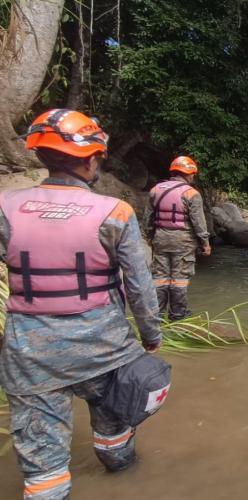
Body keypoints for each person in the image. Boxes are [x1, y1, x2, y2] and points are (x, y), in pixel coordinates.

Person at [0, 109, 162, 499]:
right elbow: (139, 286)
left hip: (30, 352)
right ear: (92, 160)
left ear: (41, 156)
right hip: (104, 348)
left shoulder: (5, 207)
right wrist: (151, 334)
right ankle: (123, 474)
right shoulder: (115, 212)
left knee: (43, 463)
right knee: (113, 429)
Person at [145, 156, 210, 321]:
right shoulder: (192, 194)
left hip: (160, 239)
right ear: (189, 174)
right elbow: (199, 223)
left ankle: (157, 315)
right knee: (179, 279)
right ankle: (177, 315)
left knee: (160, 277)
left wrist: (150, 237)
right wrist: (205, 243)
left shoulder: (155, 190)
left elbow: (148, 219)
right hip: (183, 241)